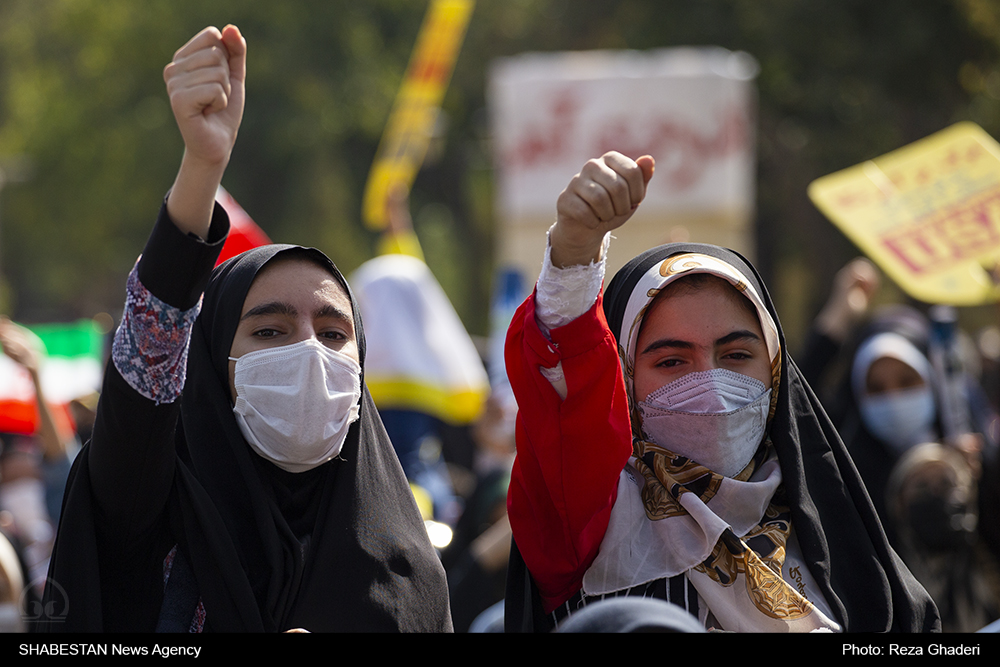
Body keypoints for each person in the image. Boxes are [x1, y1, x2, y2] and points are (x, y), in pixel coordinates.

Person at [38, 25, 451, 632]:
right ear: (210, 365)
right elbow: (146, 370)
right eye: (269, 332)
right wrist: (201, 167)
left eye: (334, 333)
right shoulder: (153, 516)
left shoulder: (407, 569)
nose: (310, 351)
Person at [504, 151, 939, 632]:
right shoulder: (594, 522)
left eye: (735, 356)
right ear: (625, 382)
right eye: (672, 362)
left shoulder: (833, 530)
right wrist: (574, 247)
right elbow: (570, 376)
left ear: (774, 372)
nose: (711, 385)